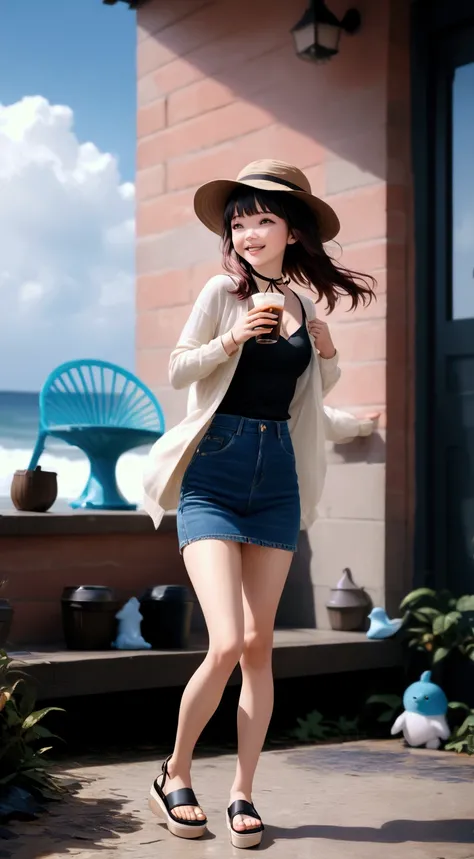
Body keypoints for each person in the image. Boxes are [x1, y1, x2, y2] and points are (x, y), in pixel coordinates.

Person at [143, 159, 378, 849]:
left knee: (257, 648)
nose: (248, 232)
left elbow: (309, 402)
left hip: (276, 478)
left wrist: (327, 353)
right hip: (214, 477)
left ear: (293, 232)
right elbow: (180, 367)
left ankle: (243, 790)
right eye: (238, 221)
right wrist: (234, 336)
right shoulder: (224, 290)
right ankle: (175, 772)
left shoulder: (303, 305)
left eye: (262, 219)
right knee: (224, 640)